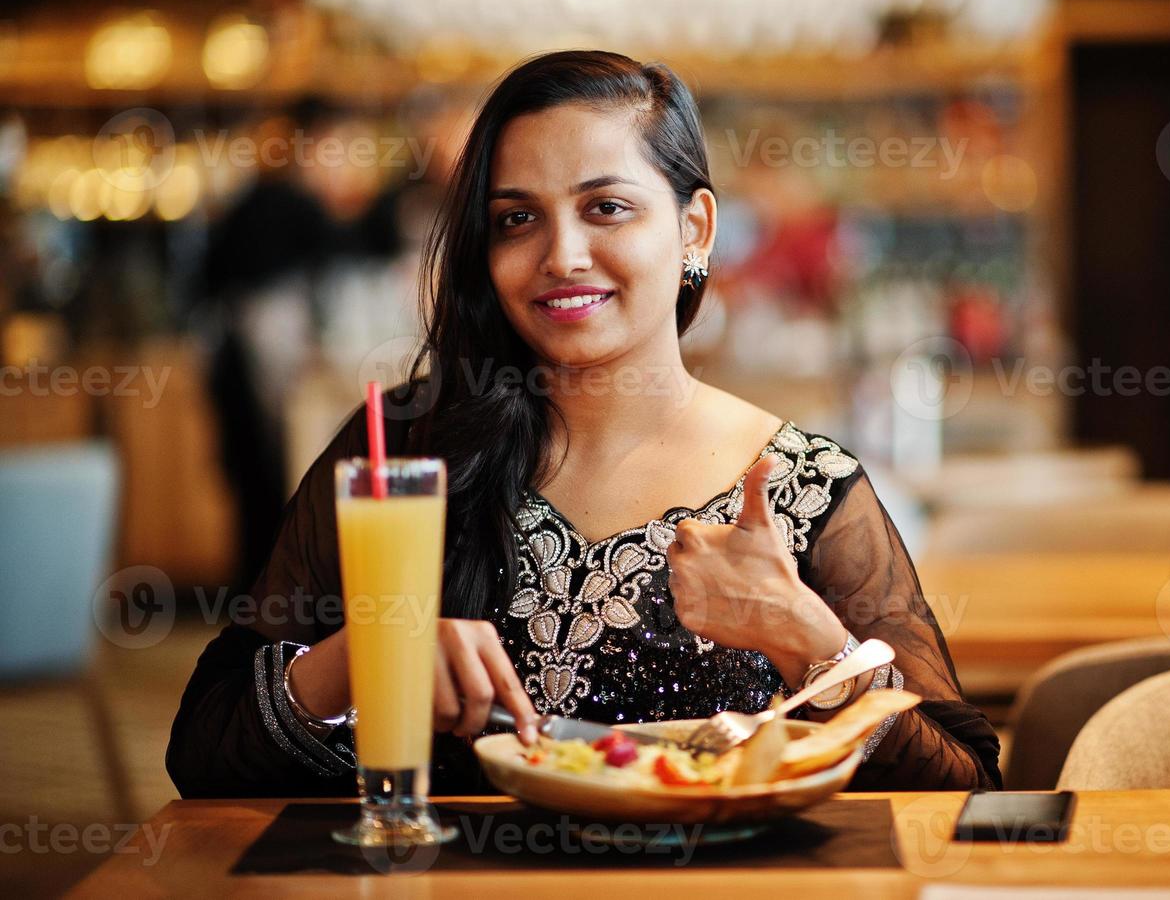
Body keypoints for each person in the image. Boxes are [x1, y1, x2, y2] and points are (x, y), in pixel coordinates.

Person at [167, 51, 1002, 797]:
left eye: (605, 208)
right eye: (516, 219)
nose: (560, 255)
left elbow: (964, 789)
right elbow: (203, 748)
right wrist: (366, 655)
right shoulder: (409, 447)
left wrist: (812, 644)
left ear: (694, 228)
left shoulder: (803, 487)